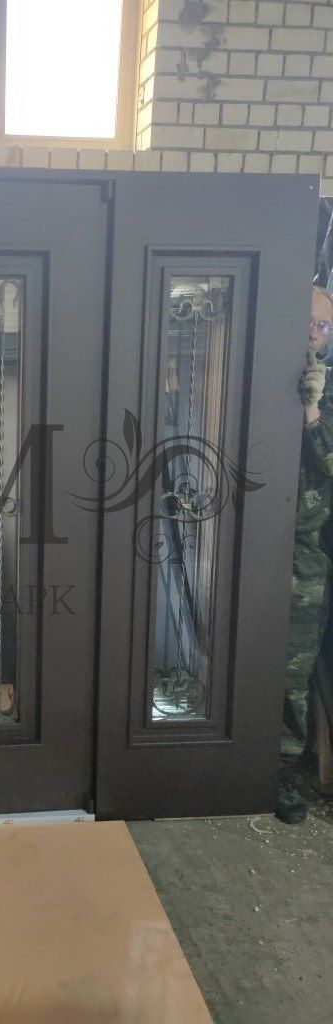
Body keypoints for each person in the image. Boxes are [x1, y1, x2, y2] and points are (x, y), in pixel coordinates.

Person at [279, 286, 333, 824]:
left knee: (292, 670)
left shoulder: (326, 390)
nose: (313, 334)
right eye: (308, 322)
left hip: (303, 556)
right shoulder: (264, 370)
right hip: (248, 544)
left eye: (323, 326)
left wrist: (313, 410)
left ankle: (279, 771)